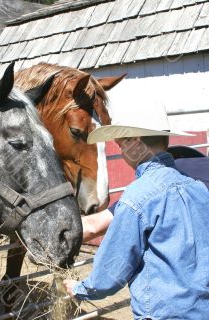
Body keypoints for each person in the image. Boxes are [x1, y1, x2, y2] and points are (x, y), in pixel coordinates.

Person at [63, 103, 209, 319]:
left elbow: (111, 272)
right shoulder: (197, 188)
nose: (122, 152)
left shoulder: (137, 198)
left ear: (135, 143)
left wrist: (80, 288)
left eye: (122, 145)